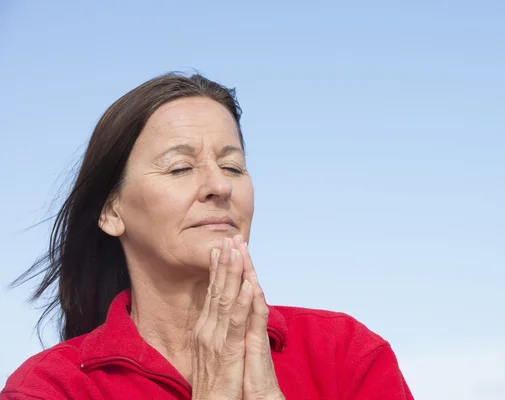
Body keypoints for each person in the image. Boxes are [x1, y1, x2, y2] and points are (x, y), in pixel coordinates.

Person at [1, 72, 414, 400]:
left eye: (233, 167)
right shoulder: (52, 387)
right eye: (180, 168)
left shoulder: (344, 352)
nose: (220, 186)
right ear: (111, 211)